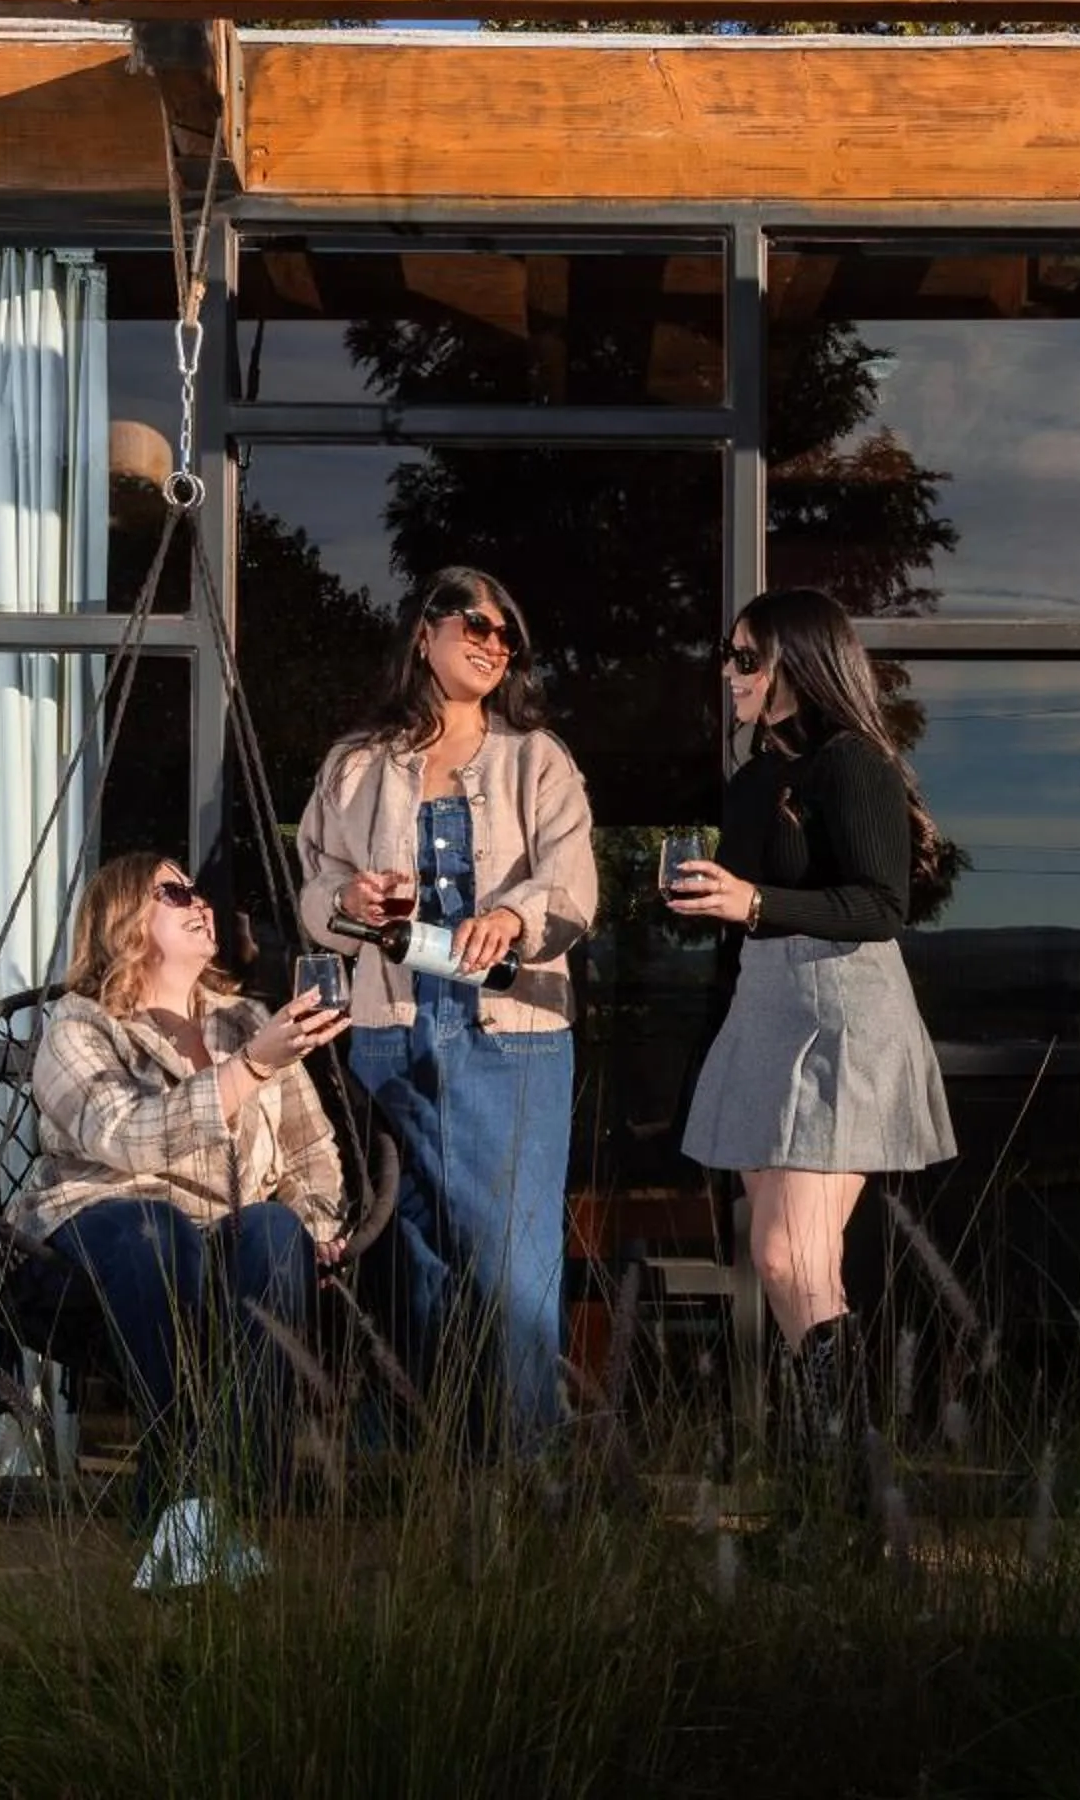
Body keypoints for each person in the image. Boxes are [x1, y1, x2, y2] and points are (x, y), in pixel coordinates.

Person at [297, 566, 598, 1452]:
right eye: (476, 623)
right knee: (405, 1255)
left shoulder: (536, 759)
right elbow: (313, 893)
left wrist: (512, 916)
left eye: (508, 636)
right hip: (387, 1034)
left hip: (512, 1041)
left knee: (510, 1262)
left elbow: (576, 888)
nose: (494, 643)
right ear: (423, 632)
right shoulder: (355, 765)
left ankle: (526, 1468)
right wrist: (354, 902)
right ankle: (418, 1469)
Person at [666, 587, 955, 1466]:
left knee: (793, 1255)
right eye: (729, 655)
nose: (731, 673)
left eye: (748, 658)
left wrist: (753, 900)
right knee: (782, 1254)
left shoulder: (850, 762)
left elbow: (878, 904)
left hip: (841, 1013)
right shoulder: (755, 778)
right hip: (767, 1005)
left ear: (799, 662)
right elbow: (756, 905)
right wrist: (703, 904)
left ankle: (846, 1476)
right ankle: (832, 1477)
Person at [20, 851, 351, 1507]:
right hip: (110, 1226)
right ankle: (179, 1479)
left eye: (196, 891)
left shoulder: (246, 1022)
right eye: (173, 894)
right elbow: (126, 1135)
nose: (200, 902)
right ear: (126, 922)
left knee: (277, 1228)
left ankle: (250, 1486)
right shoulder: (80, 1025)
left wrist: (317, 1226)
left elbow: (312, 1152)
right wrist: (250, 1070)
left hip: (228, 1230)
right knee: (156, 1230)